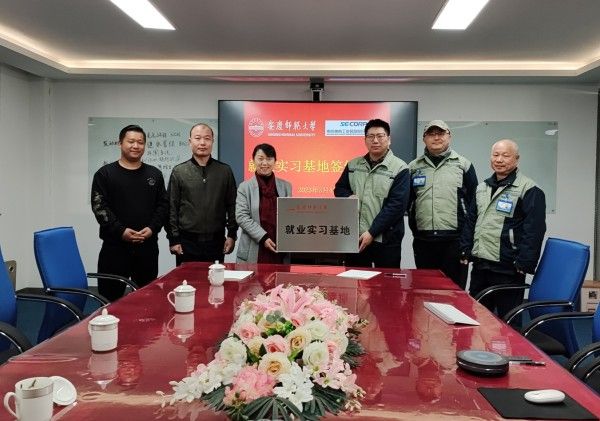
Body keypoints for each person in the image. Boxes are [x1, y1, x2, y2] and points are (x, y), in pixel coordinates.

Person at [461, 139, 546, 317]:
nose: (499, 159)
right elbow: (471, 221)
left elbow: (534, 230)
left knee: (508, 319)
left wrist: (525, 262)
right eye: (496, 155)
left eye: (505, 155)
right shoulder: (482, 187)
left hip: (508, 267)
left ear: (516, 159)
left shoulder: (529, 189)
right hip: (481, 264)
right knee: (477, 316)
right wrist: (466, 249)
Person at [91, 124, 168, 301]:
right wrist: (121, 231)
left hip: (147, 248)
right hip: (114, 248)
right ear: (120, 143)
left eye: (140, 142)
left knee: (146, 300)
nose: (136, 146)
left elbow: (163, 206)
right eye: (131, 141)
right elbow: (99, 207)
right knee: (109, 301)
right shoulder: (105, 174)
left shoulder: (154, 174)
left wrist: (152, 228)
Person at [408, 120, 478, 289]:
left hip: (455, 242)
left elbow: (474, 205)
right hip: (423, 241)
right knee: (425, 291)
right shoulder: (413, 167)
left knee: (454, 292)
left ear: (449, 136)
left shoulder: (463, 165)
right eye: (431, 134)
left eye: (440, 133)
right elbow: (407, 202)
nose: (436, 137)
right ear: (424, 139)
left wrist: (467, 242)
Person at [334, 118, 410, 268]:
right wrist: (347, 196)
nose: (375, 140)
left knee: (386, 280)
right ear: (365, 140)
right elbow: (339, 188)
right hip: (356, 237)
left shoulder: (400, 168)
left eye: (380, 136)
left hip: (386, 239)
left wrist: (372, 232)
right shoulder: (353, 165)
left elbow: (396, 206)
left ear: (389, 139)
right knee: (355, 279)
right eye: (370, 136)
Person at [167, 123, 238, 265]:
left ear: (212, 141)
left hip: (216, 242)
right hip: (187, 243)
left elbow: (232, 205)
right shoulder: (179, 171)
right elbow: (171, 208)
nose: (202, 143)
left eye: (207, 138)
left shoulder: (224, 171)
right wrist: (173, 239)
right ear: (190, 141)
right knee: (187, 279)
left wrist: (232, 235)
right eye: (197, 138)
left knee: (215, 279)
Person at [235, 144, 292, 264]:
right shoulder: (244, 187)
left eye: (269, 159)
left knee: (280, 276)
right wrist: (263, 237)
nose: (265, 163)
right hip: (254, 246)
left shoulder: (286, 186)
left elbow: (289, 216)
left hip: (279, 248)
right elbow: (241, 217)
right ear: (253, 160)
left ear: (275, 161)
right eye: (260, 158)